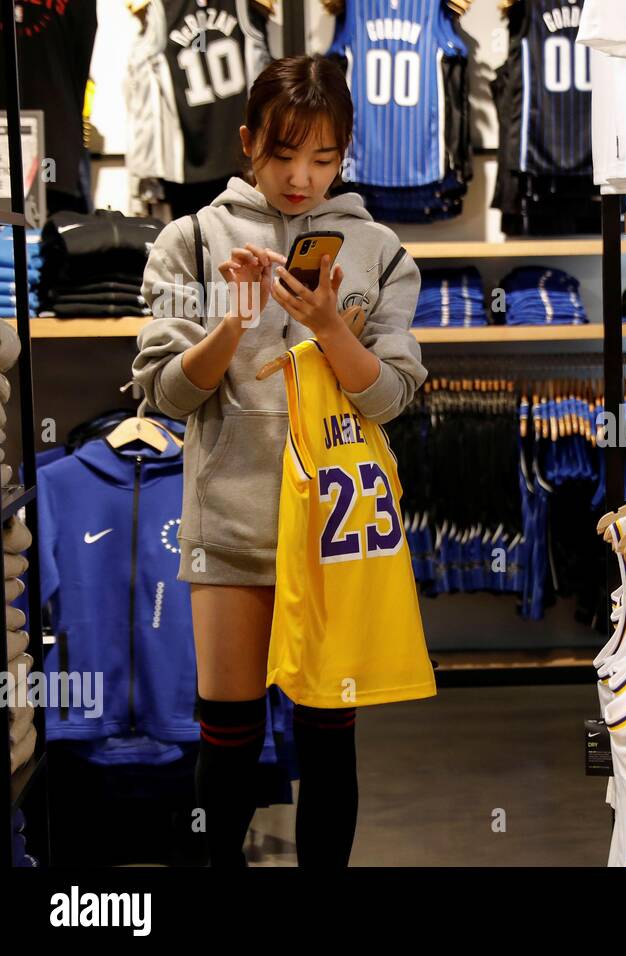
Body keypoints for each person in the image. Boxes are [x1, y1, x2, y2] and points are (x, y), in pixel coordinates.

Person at [132, 54, 427, 867]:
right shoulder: (189, 240)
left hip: (335, 534)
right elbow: (163, 394)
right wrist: (233, 319)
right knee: (227, 736)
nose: (302, 177)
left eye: (325, 157)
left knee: (328, 740)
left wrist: (332, 327)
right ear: (247, 143)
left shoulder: (379, 249)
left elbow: (394, 397)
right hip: (231, 519)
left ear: (344, 156)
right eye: (284, 153)